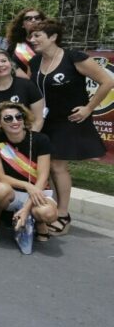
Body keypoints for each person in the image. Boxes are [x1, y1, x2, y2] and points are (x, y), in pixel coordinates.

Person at [29, 18, 113, 236]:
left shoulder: (74, 57)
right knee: (45, 168)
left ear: (53, 37)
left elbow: (107, 81)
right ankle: (53, 209)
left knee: (57, 166)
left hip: (69, 122)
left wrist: (88, 108)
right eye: (31, 36)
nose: (32, 40)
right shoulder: (35, 62)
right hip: (45, 121)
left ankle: (63, 214)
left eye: (37, 35)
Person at [0, 101, 58, 249]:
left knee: (48, 213)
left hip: (38, 190)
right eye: (8, 118)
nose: (15, 121)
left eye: (18, 117)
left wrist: (26, 208)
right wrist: (26, 185)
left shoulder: (40, 139)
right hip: (12, 192)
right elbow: (0, 176)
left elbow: (43, 177)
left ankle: (39, 220)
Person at [6, 7, 44, 77]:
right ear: (22, 24)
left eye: (37, 18)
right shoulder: (14, 45)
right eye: (29, 18)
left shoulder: (51, 43)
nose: (33, 20)